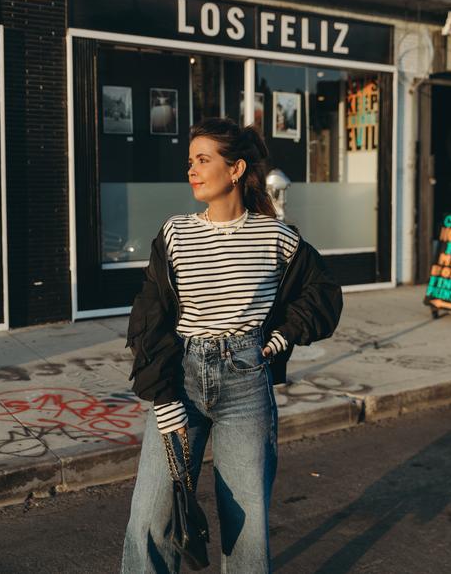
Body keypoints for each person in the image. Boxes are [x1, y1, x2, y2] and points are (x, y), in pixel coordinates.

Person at [121, 117, 343, 574]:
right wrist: (162, 397)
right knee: (150, 519)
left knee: (245, 528)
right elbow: (149, 318)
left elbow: (321, 292)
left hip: (246, 384)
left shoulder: (276, 237)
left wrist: (281, 337)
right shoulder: (175, 234)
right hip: (180, 378)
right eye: (190, 162)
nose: (193, 171)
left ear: (236, 169)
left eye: (204, 160)